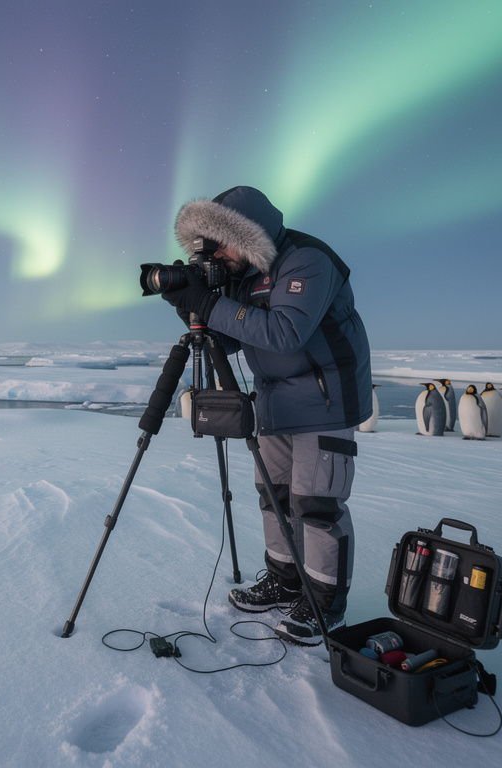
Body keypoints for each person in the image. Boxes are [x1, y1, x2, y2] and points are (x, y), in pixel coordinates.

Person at [159, 186, 373, 645]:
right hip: (275, 401)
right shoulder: (246, 271)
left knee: (316, 505)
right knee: (273, 494)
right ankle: (285, 579)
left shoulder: (306, 260)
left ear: (248, 234)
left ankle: (324, 602)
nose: (217, 256)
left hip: (325, 399)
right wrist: (193, 307)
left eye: (222, 244)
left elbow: (285, 332)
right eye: (209, 247)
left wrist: (213, 305)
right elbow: (239, 339)